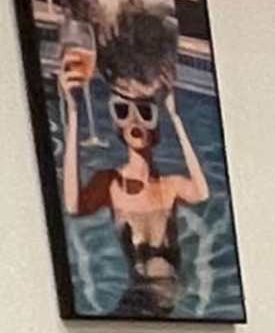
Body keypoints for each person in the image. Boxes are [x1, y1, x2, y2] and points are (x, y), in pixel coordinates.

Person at [60, 36, 218, 316]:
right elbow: (73, 205)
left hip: (168, 294)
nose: (133, 120)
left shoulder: (170, 186)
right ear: (117, 125)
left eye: (145, 113)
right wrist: (74, 112)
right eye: (122, 111)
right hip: (140, 297)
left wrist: (176, 117)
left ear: (156, 128)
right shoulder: (110, 184)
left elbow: (202, 192)